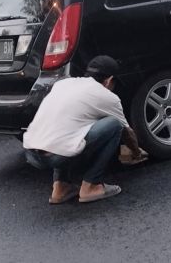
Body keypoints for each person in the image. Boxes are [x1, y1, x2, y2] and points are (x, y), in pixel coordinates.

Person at [23, 55, 147, 204]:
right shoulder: (107, 97)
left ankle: (60, 187)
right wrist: (137, 153)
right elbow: (128, 133)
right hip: (55, 156)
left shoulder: (63, 84)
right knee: (114, 125)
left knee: (68, 129)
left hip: (31, 153)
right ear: (109, 80)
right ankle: (91, 185)